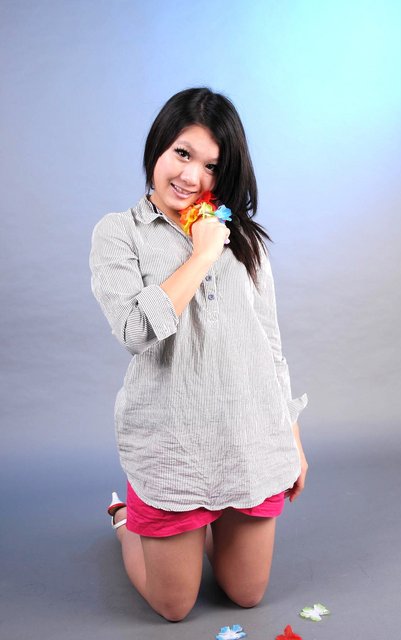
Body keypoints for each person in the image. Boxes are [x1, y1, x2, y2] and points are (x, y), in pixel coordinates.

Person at [89, 87, 308, 622]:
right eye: (182, 153)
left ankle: (208, 523)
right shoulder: (119, 233)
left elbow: (270, 344)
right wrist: (205, 253)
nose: (191, 177)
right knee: (175, 607)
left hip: (248, 439)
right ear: (158, 146)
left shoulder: (244, 238)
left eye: (211, 166)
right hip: (173, 445)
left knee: (247, 594)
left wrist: (292, 440)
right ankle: (126, 520)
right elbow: (136, 330)